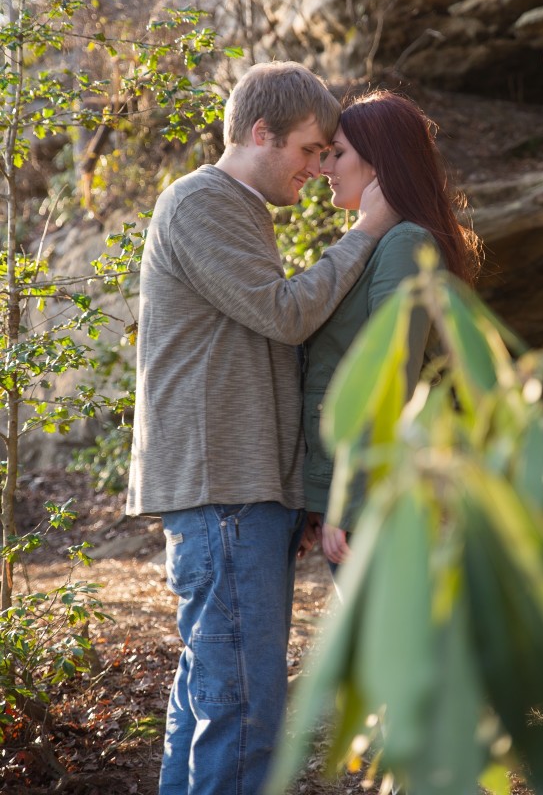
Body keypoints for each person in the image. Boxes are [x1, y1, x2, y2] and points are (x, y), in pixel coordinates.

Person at [126, 61, 398, 795]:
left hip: (247, 493)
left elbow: (263, 352)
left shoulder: (240, 212)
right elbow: (285, 314)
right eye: (311, 150)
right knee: (242, 706)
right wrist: (369, 230)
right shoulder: (200, 202)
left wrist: (293, 489)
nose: (316, 167)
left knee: (210, 700)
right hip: (224, 493)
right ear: (260, 133)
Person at [302, 91, 479, 566]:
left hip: (381, 494)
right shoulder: (376, 243)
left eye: (337, 153)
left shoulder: (405, 243)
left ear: (379, 163)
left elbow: (388, 378)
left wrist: (351, 503)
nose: (324, 168)